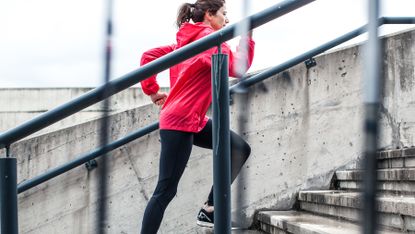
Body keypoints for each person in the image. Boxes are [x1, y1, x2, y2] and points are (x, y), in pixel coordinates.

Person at [139, 0, 255, 232]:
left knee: (238, 149)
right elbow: (238, 67)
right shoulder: (208, 40)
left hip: (192, 121)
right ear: (210, 15)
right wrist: (247, 35)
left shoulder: (185, 43)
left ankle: (210, 208)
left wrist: (152, 91)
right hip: (180, 122)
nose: (227, 19)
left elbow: (147, 56)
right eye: (223, 13)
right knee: (165, 190)